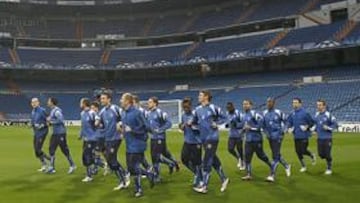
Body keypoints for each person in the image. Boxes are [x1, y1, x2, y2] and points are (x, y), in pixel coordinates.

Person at [192, 90, 229, 194]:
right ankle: (224, 179)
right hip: (203, 138)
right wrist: (190, 123)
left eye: (200, 95)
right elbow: (194, 122)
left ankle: (204, 186)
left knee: (206, 161)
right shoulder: (197, 109)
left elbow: (225, 118)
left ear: (206, 97)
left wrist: (217, 124)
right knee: (214, 160)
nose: (198, 97)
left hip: (212, 138)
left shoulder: (214, 108)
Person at [120, 93, 155, 197]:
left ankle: (139, 189)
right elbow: (126, 128)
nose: (120, 101)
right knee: (131, 168)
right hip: (129, 144)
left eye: (122, 99)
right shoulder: (123, 113)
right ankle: (149, 174)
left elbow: (147, 127)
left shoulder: (137, 113)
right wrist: (122, 130)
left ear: (128, 101)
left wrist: (133, 130)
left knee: (134, 167)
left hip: (138, 144)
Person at [96, 92, 129, 190]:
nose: (101, 100)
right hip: (108, 138)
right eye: (101, 99)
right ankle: (124, 174)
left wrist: (121, 127)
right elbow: (100, 123)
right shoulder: (102, 112)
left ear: (109, 99)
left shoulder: (115, 109)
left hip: (116, 138)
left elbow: (123, 118)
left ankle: (123, 181)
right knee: (110, 160)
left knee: (111, 159)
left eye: (103, 98)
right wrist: (98, 123)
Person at [147, 96, 179, 182]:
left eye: (150, 102)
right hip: (153, 138)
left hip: (159, 138)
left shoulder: (160, 113)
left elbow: (169, 123)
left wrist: (160, 130)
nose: (148, 103)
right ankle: (171, 163)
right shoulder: (148, 113)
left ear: (155, 103)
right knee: (160, 155)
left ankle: (158, 176)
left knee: (156, 157)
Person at [241, 99, 272, 181]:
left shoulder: (254, 113)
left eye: (246, 104)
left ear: (251, 105)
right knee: (247, 157)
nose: (245, 105)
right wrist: (243, 131)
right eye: (243, 104)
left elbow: (261, 124)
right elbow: (245, 127)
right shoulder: (244, 115)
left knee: (261, 156)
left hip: (256, 139)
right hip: (248, 140)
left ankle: (271, 166)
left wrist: (251, 128)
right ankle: (248, 174)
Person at [262, 98, 291, 182]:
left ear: (274, 103)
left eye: (270, 102)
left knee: (275, 157)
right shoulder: (264, 113)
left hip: (278, 136)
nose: (268, 104)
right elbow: (263, 125)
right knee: (276, 154)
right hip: (270, 137)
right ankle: (286, 166)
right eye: (267, 102)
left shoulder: (279, 112)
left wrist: (284, 130)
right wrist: (266, 133)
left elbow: (287, 122)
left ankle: (272, 175)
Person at [46, 97, 76, 174]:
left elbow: (61, 120)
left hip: (60, 133)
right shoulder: (53, 110)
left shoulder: (57, 111)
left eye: (49, 101)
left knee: (64, 149)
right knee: (51, 149)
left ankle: (72, 165)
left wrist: (51, 122)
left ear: (52, 102)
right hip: (55, 133)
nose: (47, 102)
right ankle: (52, 167)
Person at [178, 97, 203, 187]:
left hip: (196, 142)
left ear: (190, 106)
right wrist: (182, 127)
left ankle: (200, 179)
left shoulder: (195, 115)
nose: (185, 109)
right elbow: (181, 125)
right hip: (187, 141)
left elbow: (202, 127)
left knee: (197, 162)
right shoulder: (183, 115)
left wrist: (193, 125)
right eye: (184, 108)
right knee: (184, 159)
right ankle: (197, 174)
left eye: (187, 107)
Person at [287, 98, 316, 173]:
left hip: (304, 135)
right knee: (298, 151)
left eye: (296, 102)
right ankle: (303, 166)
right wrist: (289, 128)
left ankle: (311, 155)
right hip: (296, 136)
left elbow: (312, 123)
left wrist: (306, 127)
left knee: (303, 150)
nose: (294, 104)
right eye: (293, 103)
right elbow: (289, 122)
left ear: (300, 104)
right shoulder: (292, 113)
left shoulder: (305, 113)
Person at [313, 99, 338, 175]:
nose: (318, 106)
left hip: (327, 138)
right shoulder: (316, 115)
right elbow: (315, 124)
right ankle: (328, 159)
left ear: (324, 106)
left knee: (327, 154)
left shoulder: (328, 115)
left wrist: (328, 128)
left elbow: (335, 125)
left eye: (320, 105)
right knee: (320, 154)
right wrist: (314, 130)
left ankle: (329, 168)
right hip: (319, 138)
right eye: (317, 105)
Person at [79, 98, 98, 182]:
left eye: (81, 102)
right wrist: (81, 135)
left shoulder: (92, 113)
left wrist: (96, 124)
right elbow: (83, 126)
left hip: (92, 139)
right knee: (86, 156)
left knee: (87, 155)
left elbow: (97, 120)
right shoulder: (82, 113)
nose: (80, 104)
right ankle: (99, 165)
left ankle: (89, 175)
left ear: (84, 103)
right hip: (86, 139)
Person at [30, 97, 50, 172]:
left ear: (38, 103)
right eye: (32, 102)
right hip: (36, 133)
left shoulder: (42, 110)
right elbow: (33, 121)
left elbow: (48, 121)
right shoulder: (33, 111)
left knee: (38, 148)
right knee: (36, 150)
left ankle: (49, 160)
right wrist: (32, 125)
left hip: (42, 132)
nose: (34, 103)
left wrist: (42, 125)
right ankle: (44, 164)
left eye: (35, 102)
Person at [225, 102, 245, 170]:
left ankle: (242, 162)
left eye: (230, 107)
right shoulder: (227, 113)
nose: (228, 109)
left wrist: (236, 124)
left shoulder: (238, 113)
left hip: (239, 135)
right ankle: (238, 158)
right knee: (230, 149)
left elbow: (243, 123)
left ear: (233, 107)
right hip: (231, 134)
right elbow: (228, 122)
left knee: (240, 149)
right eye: (227, 108)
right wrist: (227, 125)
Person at [90, 101, 108, 176]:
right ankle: (111, 164)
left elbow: (102, 125)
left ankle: (100, 167)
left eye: (93, 108)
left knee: (95, 153)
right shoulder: (96, 115)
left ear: (96, 108)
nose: (91, 110)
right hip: (100, 136)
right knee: (104, 153)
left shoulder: (99, 115)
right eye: (91, 108)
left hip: (100, 137)